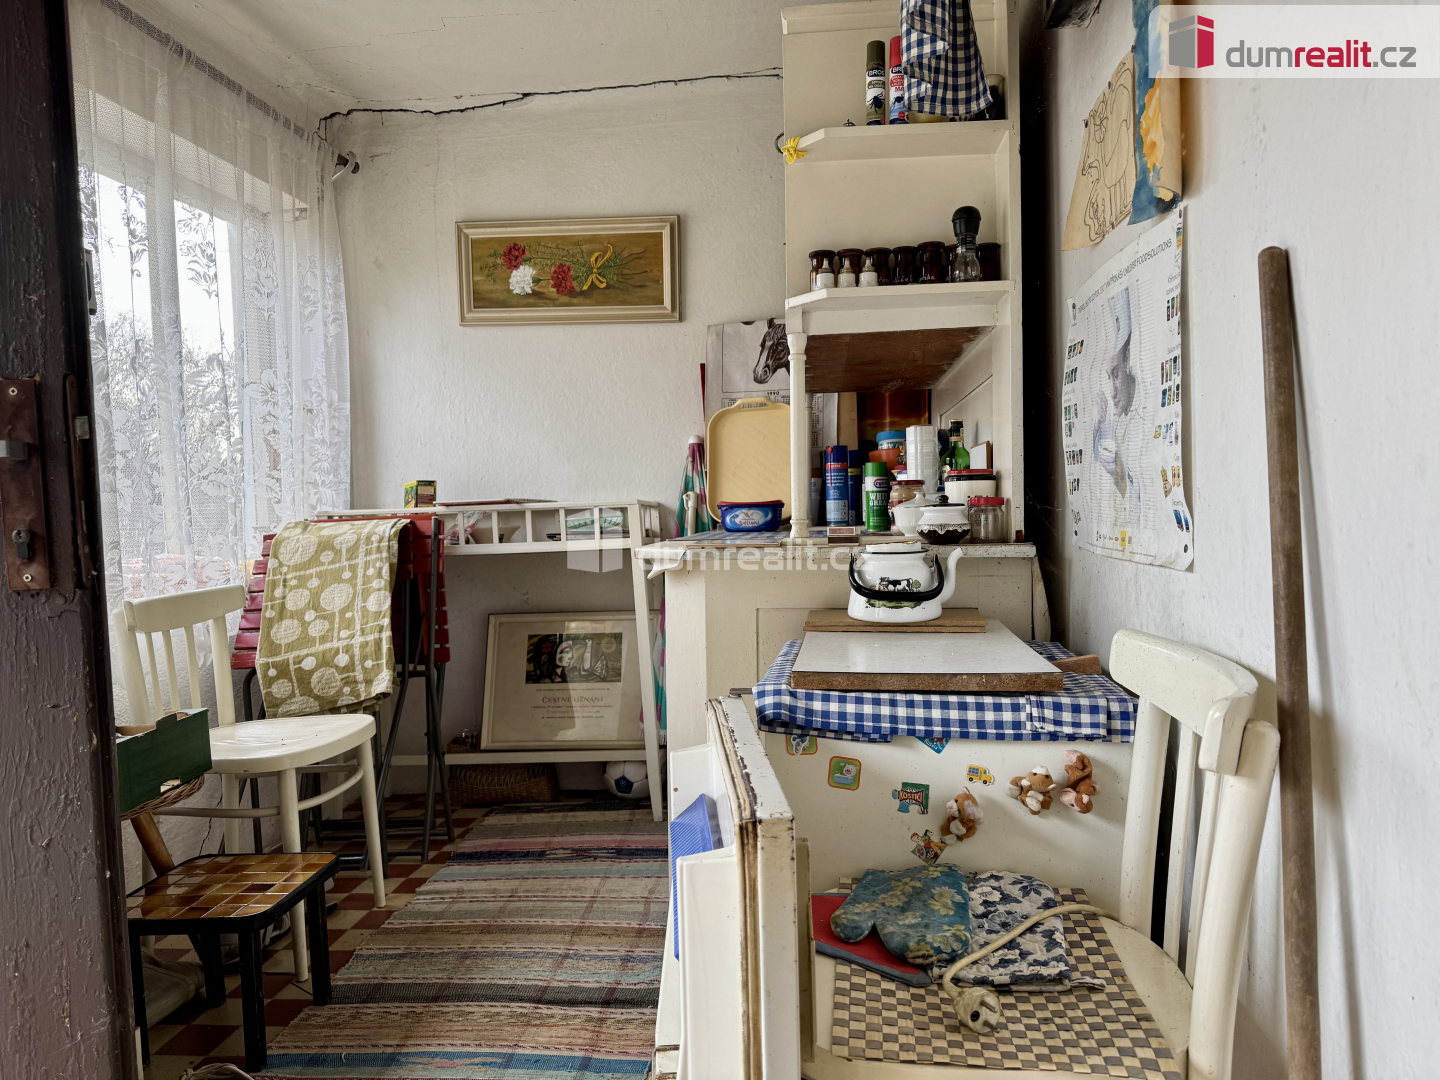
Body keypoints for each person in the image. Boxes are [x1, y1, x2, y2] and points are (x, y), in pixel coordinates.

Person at [1091, 289, 1144, 537]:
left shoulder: (1143, 413)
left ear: (1128, 361)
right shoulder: (1123, 423)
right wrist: (1097, 430)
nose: (1112, 392)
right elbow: (1124, 485)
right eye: (1108, 378)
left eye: (1116, 375)